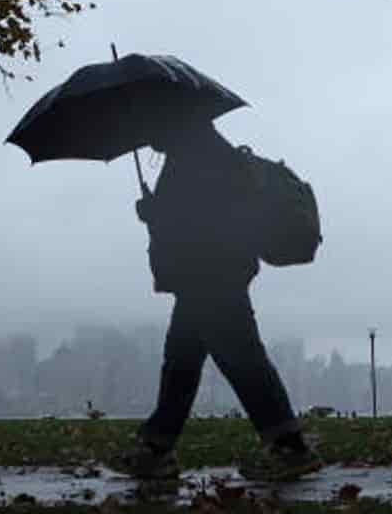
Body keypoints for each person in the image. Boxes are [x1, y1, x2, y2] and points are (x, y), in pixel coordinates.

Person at [108, 115, 323, 481]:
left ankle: (290, 448)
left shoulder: (199, 157)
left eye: (151, 129)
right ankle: (157, 449)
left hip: (212, 276)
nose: (146, 138)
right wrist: (157, 214)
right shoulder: (200, 152)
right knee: (182, 364)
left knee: (241, 361)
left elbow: (201, 222)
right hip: (207, 276)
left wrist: (155, 213)